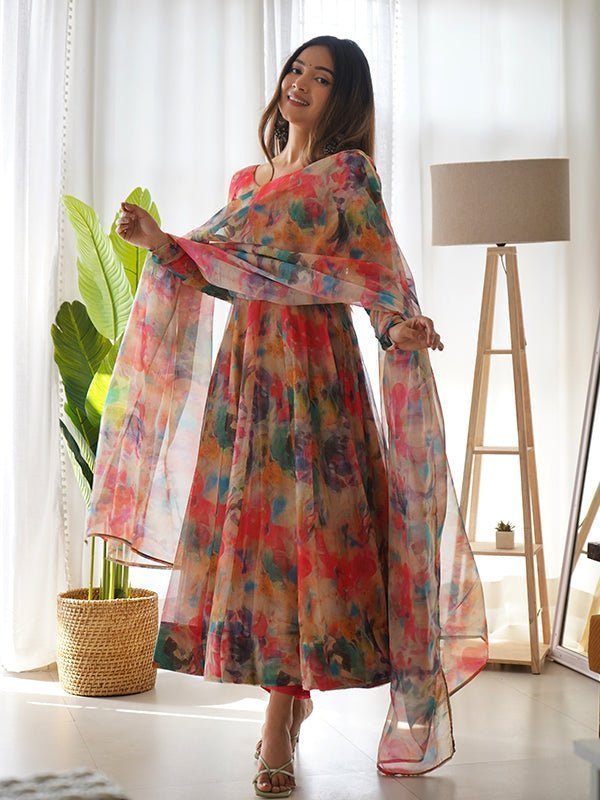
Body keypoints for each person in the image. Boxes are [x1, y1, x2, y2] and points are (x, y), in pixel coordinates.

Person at [90, 35, 487, 798]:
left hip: (319, 379)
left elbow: (376, 275)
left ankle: (281, 717)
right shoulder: (249, 182)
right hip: (249, 380)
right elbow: (225, 273)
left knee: (314, 543)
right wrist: (159, 243)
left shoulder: (347, 178)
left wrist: (399, 330)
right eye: (295, 69)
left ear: (344, 98)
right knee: (263, 548)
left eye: (321, 77)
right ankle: (285, 707)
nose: (300, 83)